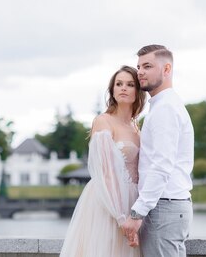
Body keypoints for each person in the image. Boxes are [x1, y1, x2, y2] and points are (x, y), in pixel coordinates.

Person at [60, 65, 146, 257]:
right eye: (119, 84)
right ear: (112, 90)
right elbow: (105, 172)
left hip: (132, 202)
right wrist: (121, 217)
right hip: (107, 202)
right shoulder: (103, 121)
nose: (123, 88)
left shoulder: (137, 128)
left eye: (130, 84)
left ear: (138, 91)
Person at [122, 45, 195, 256]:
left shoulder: (166, 109)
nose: (140, 72)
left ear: (166, 69)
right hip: (167, 207)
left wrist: (137, 214)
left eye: (147, 66)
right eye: (139, 67)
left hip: (164, 208)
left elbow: (162, 165)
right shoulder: (162, 106)